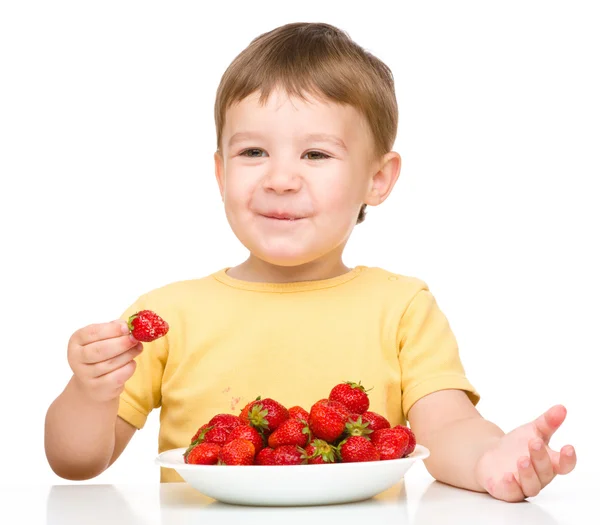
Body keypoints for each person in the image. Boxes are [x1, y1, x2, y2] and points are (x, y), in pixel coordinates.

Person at [44, 22, 576, 502]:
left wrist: (491, 459)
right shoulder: (168, 313)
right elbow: (76, 461)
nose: (280, 178)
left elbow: (448, 427)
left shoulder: (401, 307)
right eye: (253, 152)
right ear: (219, 170)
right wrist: (89, 391)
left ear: (378, 178)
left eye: (316, 154)